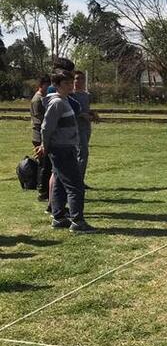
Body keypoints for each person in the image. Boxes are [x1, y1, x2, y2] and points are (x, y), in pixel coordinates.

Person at [36, 71, 95, 234]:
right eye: (67, 83)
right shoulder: (57, 103)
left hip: (66, 147)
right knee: (75, 185)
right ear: (57, 86)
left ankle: (59, 217)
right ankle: (77, 221)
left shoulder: (65, 101)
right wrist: (44, 146)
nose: (71, 85)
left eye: (71, 82)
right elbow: (46, 127)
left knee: (60, 184)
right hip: (61, 149)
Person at [71, 70, 99, 185]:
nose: (79, 81)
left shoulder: (86, 95)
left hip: (86, 128)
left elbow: (86, 109)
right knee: (83, 153)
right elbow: (72, 111)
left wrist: (93, 114)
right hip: (76, 128)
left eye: (82, 79)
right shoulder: (70, 95)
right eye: (77, 78)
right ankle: (77, 181)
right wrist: (82, 115)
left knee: (83, 154)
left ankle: (80, 180)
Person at [31, 74, 52, 201]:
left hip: (42, 134)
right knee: (44, 164)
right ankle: (42, 191)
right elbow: (40, 120)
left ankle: (44, 188)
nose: (49, 87)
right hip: (39, 135)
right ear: (41, 85)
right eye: (47, 84)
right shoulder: (38, 99)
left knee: (45, 164)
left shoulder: (44, 98)